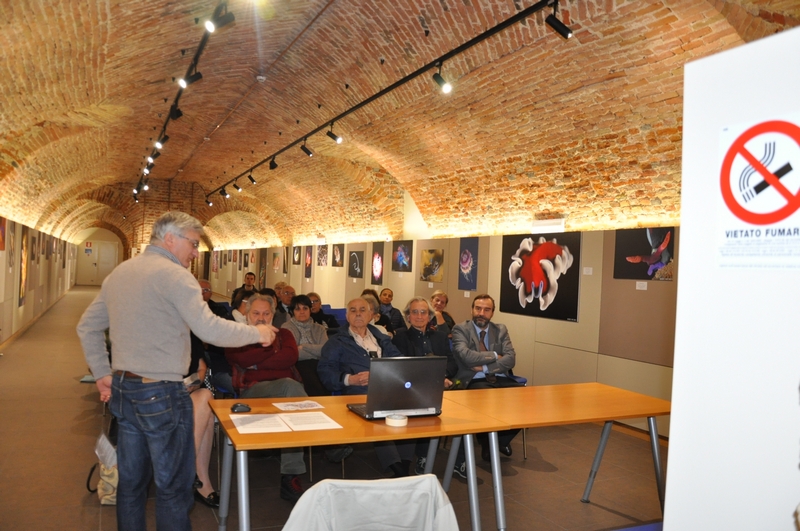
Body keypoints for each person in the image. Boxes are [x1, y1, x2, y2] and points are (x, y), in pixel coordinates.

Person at [77, 211, 277, 531]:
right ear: (170, 239)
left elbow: (87, 327)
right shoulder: (176, 275)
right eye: (194, 244)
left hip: (125, 392)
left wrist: (102, 372)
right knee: (174, 489)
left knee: (131, 487)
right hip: (161, 393)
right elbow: (209, 329)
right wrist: (259, 333)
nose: (196, 252)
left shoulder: (121, 272)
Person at [225, 293, 308, 503]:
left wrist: (256, 363)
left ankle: (290, 475)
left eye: (266, 313)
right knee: (292, 387)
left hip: (287, 393)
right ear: (247, 314)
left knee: (292, 397)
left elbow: (290, 357)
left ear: (273, 315)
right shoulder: (235, 335)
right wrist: (271, 350)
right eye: (256, 313)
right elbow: (242, 359)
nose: (261, 318)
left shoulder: (285, 333)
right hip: (253, 393)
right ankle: (317, 450)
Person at [317, 298, 412, 477]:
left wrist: (382, 376)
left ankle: (405, 463)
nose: (358, 313)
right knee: (376, 407)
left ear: (371, 315)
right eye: (353, 310)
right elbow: (325, 372)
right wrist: (349, 379)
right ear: (346, 316)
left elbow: (399, 364)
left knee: (411, 405)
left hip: (388, 387)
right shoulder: (337, 342)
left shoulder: (382, 339)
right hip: (358, 392)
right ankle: (396, 467)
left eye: (362, 310)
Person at [451, 294, 522, 479]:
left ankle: (493, 442)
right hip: (474, 380)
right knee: (487, 402)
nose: (481, 313)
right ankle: (490, 441)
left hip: (498, 377)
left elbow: (511, 358)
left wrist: (484, 365)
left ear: (492, 312)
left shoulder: (501, 329)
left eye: (486, 309)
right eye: (478, 308)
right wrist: (495, 355)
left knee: (524, 401)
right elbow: (466, 356)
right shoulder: (460, 329)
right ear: (472, 309)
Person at [392, 296, 458, 474]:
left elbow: (451, 363)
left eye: (423, 312)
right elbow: (402, 367)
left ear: (429, 316)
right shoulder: (400, 338)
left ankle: (455, 459)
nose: (419, 316)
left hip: (441, 385)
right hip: (410, 387)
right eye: (415, 312)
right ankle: (421, 456)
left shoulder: (441, 337)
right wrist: (433, 379)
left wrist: (441, 375)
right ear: (408, 316)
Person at [281, 294, 329, 397]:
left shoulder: (319, 328)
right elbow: (293, 353)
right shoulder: (287, 328)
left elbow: (325, 351)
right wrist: (315, 350)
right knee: (310, 377)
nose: (302, 312)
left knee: (326, 374)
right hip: (298, 364)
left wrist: (303, 346)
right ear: (292, 311)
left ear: (310, 310)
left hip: (319, 363)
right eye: (297, 309)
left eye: (305, 308)